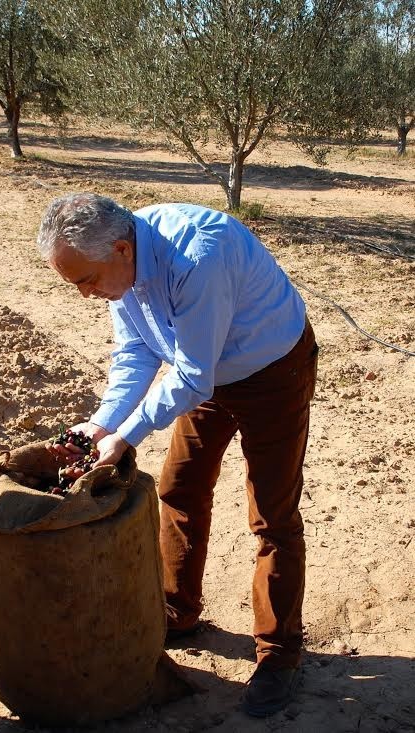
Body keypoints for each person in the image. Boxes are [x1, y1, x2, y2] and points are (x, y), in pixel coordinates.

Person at [37, 193, 318, 717]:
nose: (84, 294)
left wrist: (130, 435)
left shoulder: (197, 258)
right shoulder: (119, 267)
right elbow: (137, 351)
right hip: (209, 375)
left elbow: (191, 376)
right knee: (180, 488)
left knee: (272, 515)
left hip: (271, 371)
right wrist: (102, 423)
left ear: (122, 249)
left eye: (86, 281)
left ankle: (279, 657)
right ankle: (179, 610)